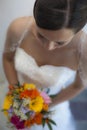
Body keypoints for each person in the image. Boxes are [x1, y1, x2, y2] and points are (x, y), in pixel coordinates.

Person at [2, 0, 87, 130]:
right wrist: (17, 95)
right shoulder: (18, 28)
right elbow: (8, 58)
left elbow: (77, 86)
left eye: (59, 42)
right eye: (41, 36)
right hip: (16, 93)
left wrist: (43, 107)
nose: (49, 47)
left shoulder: (83, 50)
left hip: (52, 104)